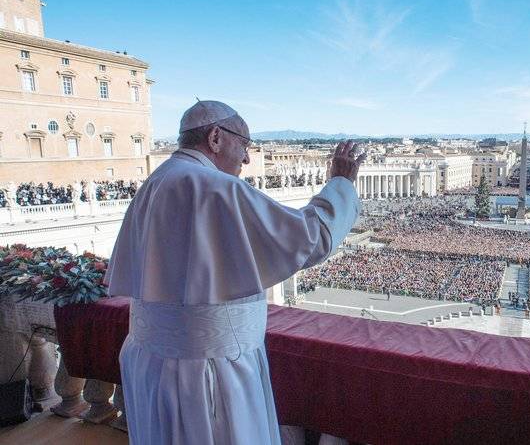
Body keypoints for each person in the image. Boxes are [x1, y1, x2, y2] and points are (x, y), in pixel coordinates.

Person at [106, 100, 366, 445]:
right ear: (215, 137)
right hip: (211, 372)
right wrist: (341, 184)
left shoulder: (154, 183)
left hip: (150, 363)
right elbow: (310, 239)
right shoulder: (216, 187)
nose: (246, 158)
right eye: (244, 144)